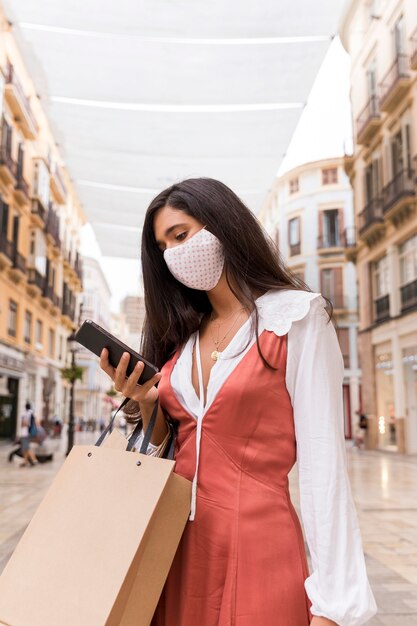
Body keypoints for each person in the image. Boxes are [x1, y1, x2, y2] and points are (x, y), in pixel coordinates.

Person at [100, 178, 377, 626]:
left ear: (223, 225)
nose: (173, 254)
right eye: (162, 246)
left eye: (181, 234)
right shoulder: (182, 339)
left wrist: (334, 605)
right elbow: (173, 448)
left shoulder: (296, 319)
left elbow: (324, 466)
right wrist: (146, 402)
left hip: (259, 548)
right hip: (171, 551)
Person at [19, 402, 38, 467]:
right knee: (25, 448)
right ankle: (25, 461)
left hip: (25, 433)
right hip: (29, 433)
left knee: (26, 448)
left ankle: (34, 460)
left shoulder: (26, 414)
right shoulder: (32, 413)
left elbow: (24, 424)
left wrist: (23, 424)